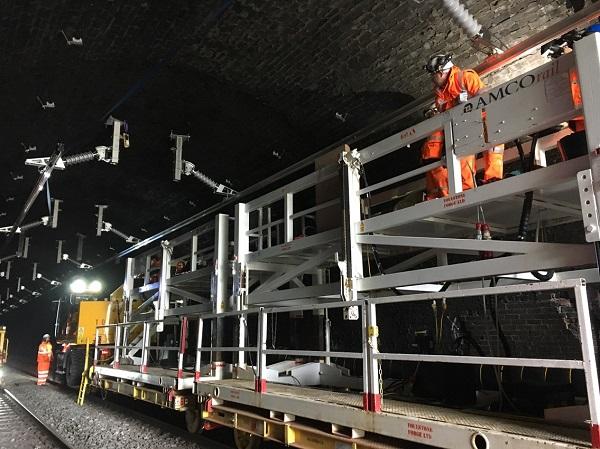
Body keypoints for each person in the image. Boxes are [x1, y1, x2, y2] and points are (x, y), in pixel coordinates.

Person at [422, 54, 504, 200]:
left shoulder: (465, 77)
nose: (431, 79)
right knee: (463, 161)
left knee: (494, 149)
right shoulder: (439, 95)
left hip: (481, 121)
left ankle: (493, 180)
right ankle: (467, 191)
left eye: (432, 75)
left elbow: (485, 100)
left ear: (441, 72)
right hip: (461, 129)